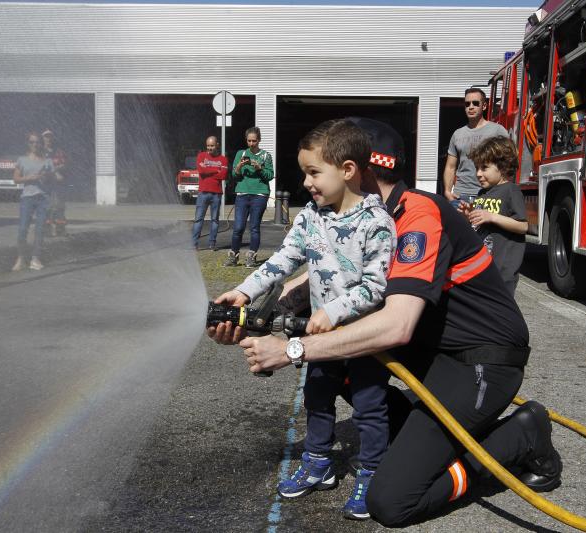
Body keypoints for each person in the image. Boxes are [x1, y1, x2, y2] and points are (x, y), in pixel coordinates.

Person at [209, 118, 562, 528]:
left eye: (319, 170)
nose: (310, 183)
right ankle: (423, 434)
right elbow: (320, 274)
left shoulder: (416, 216)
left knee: (393, 500)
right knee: (340, 366)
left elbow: (395, 326)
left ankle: (522, 435)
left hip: (480, 360)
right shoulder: (351, 213)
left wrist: (291, 350)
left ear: (356, 170)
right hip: (432, 351)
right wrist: (253, 312)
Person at [213, 119, 396, 520]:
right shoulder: (311, 217)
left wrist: (332, 311)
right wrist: (244, 291)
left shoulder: (376, 223)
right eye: (305, 173)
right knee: (317, 397)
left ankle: (372, 471)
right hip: (320, 337)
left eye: (314, 172)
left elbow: (376, 287)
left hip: (361, 337)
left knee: (369, 406)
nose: (306, 182)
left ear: (347, 170)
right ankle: (318, 463)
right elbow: (283, 260)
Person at [463, 136, 528, 295]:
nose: (478, 173)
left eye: (484, 168)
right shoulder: (482, 193)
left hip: (502, 271)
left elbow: (523, 226)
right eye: (477, 168)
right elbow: (478, 225)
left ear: (503, 167)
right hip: (483, 266)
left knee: (500, 307)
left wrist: (492, 217)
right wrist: (468, 215)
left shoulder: (511, 190)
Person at [443, 87, 508, 209]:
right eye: (467, 104)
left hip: (489, 195)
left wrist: (503, 191)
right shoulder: (457, 134)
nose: (471, 107)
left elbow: (508, 163)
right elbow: (450, 167)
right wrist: (447, 191)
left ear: (484, 106)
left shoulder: (498, 131)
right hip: (460, 196)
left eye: (475, 103)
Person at [224, 126, 274, 268]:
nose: (251, 143)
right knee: (238, 227)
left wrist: (259, 168)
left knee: (254, 227)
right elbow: (234, 176)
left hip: (259, 194)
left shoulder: (266, 155)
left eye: (254, 141)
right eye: (249, 141)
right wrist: (239, 167)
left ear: (259, 140)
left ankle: (251, 256)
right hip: (242, 194)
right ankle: (233, 256)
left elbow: (270, 175)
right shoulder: (241, 153)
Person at [11, 132, 61, 271]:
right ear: (28, 144)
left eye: (37, 142)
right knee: (23, 229)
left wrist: (49, 176)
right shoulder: (22, 160)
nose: (35, 144)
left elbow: (56, 178)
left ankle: (35, 258)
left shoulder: (47, 161)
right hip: (27, 198)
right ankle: (21, 258)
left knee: (40, 229)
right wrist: (29, 178)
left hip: (43, 198)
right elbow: (15, 179)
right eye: (32, 142)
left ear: (41, 143)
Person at [192, 136, 228, 250]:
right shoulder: (201, 156)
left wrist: (208, 171)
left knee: (215, 220)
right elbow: (201, 171)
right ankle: (194, 244)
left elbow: (223, 175)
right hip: (203, 192)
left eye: (212, 146)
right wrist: (216, 170)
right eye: (208, 146)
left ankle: (212, 243)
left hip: (216, 194)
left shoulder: (223, 159)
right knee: (198, 219)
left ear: (217, 145)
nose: (209, 148)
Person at [41, 129, 68, 237]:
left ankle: (60, 229)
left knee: (59, 206)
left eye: (50, 136)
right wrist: (55, 171)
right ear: (43, 138)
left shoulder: (58, 151)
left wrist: (54, 169)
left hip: (58, 184)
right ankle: (46, 230)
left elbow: (64, 164)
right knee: (46, 206)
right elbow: (40, 166)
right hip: (45, 183)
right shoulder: (39, 151)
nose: (48, 139)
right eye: (46, 136)